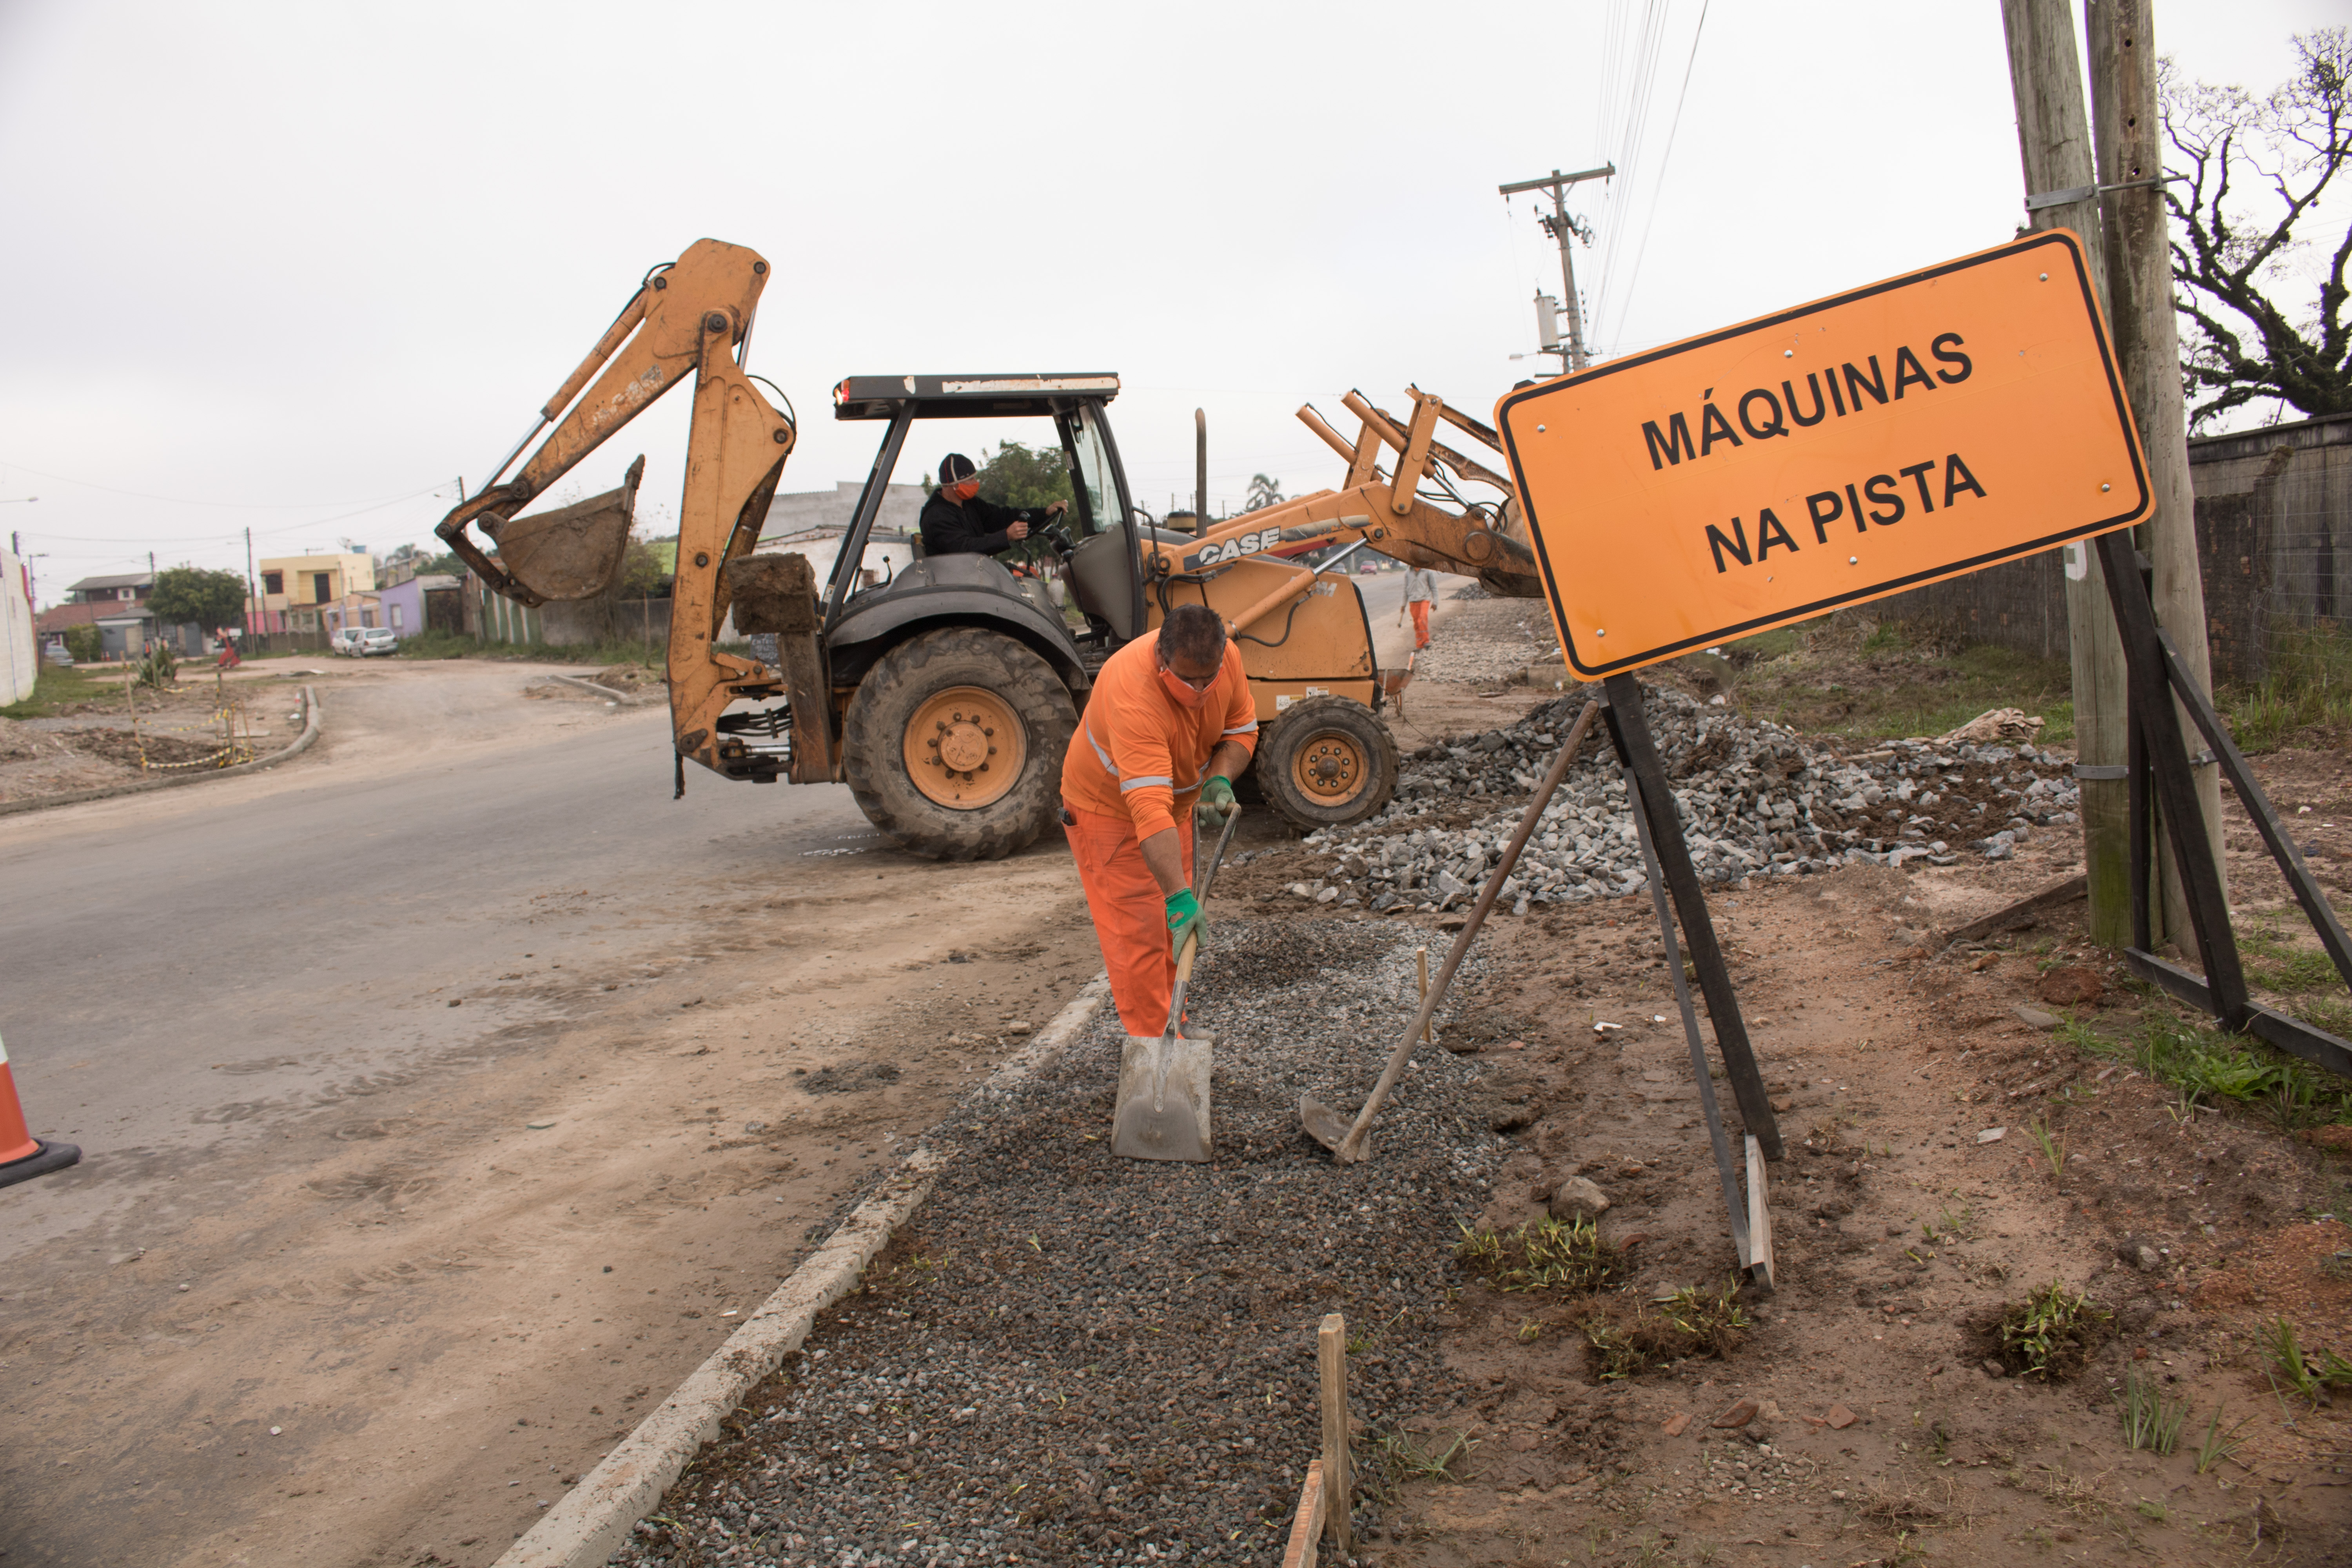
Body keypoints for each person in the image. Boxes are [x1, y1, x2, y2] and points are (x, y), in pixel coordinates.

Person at [1059, 603, 1258, 1038]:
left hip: (1176, 806)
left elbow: (1242, 729)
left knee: (1173, 930)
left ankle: (1175, 1025)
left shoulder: (1229, 660)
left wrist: (1219, 778)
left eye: (1210, 678)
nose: (1202, 690)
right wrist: (1177, 897)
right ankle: (1153, 1044)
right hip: (1109, 811)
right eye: (1188, 680)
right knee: (1141, 937)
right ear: (1161, 660)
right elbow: (1147, 807)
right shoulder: (1133, 690)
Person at [919, 453, 1067, 559]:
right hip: (951, 583)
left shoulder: (969, 504)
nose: (976, 482)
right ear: (953, 485)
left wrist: (1045, 513)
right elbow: (965, 549)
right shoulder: (936, 516)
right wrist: (1006, 535)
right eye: (971, 479)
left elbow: (1000, 517)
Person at [1400, 564, 1437, 650]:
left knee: (1422, 619)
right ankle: (1419, 644)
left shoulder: (1428, 572)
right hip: (1413, 601)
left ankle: (1426, 641)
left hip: (1425, 599)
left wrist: (1435, 602)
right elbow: (1405, 590)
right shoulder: (1408, 573)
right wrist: (1403, 605)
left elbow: (1434, 588)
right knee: (1417, 623)